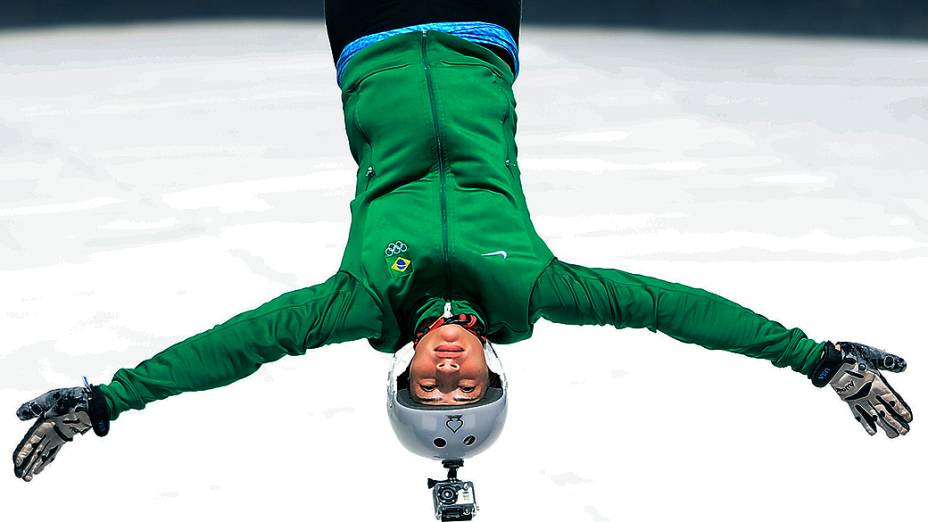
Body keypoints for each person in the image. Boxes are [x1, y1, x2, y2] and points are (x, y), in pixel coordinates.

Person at [12, 1, 913, 482]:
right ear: (493, 371)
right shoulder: (536, 291)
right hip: (480, 28)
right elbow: (672, 310)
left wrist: (109, 402)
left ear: (401, 372)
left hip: (368, 33)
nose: (448, 369)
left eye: (431, 386)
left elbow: (237, 347)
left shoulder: (359, 303)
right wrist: (815, 360)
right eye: (466, 386)